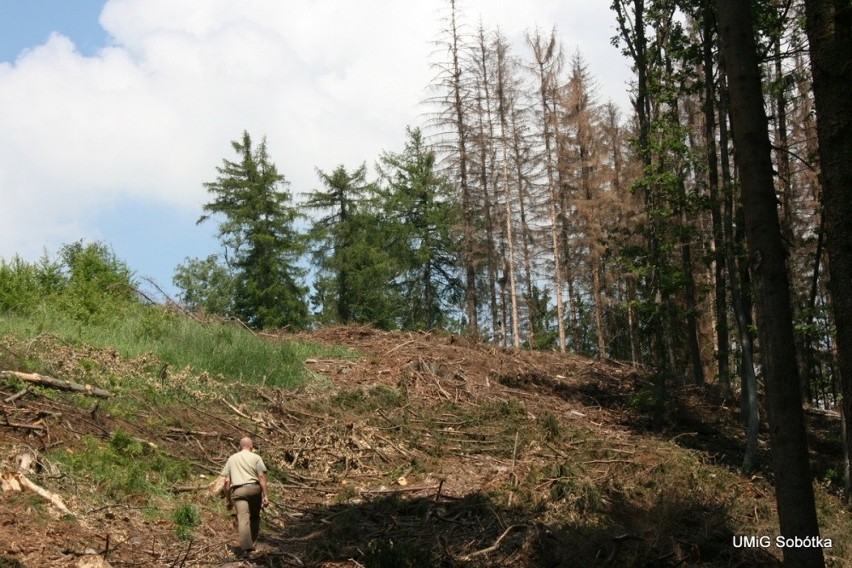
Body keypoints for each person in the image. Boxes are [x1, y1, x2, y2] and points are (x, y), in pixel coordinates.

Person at [220, 436, 269, 556]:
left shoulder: (232, 459)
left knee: (243, 519)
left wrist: (228, 499)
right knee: (255, 517)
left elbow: (226, 482)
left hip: (238, 491)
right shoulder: (256, 457)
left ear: (239, 446)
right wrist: (265, 495)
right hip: (254, 490)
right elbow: (261, 477)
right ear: (251, 446)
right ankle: (252, 543)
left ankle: (246, 548)